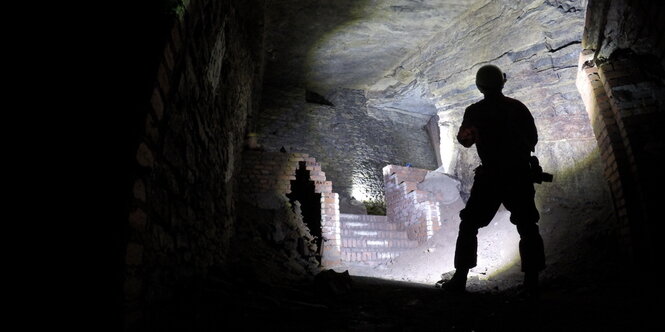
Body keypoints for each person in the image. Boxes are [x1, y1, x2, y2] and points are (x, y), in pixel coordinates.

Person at [441, 64, 546, 296]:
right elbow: (533, 139)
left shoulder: (475, 111)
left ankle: (459, 280)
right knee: (528, 225)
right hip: (518, 174)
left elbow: (465, 141)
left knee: (469, 224)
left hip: (491, 176)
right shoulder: (517, 107)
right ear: (502, 82)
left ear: (479, 87)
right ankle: (532, 283)